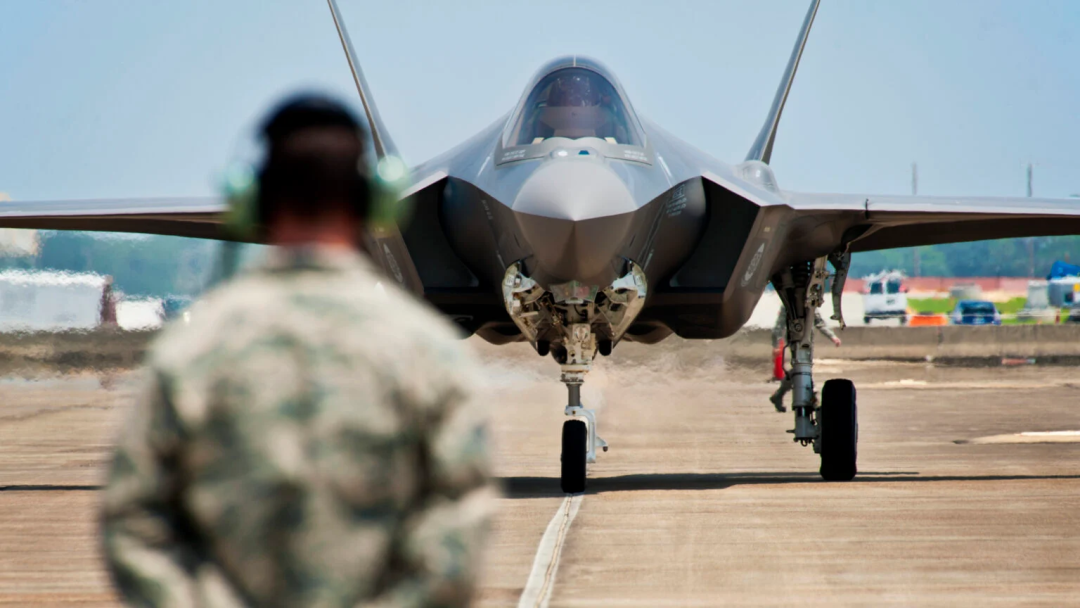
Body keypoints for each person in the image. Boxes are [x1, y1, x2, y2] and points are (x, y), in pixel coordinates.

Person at [101, 94, 496, 607]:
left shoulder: (194, 349)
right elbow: (457, 536)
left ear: (253, 200)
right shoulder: (427, 352)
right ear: (375, 201)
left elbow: (133, 524)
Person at [769, 305, 841, 413]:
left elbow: (819, 322)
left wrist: (832, 337)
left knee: (799, 369)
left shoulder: (811, 302)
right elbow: (779, 326)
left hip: (807, 342)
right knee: (801, 367)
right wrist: (776, 345)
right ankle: (812, 396)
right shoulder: (789, 301)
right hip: (795, 340)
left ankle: (779, 395)